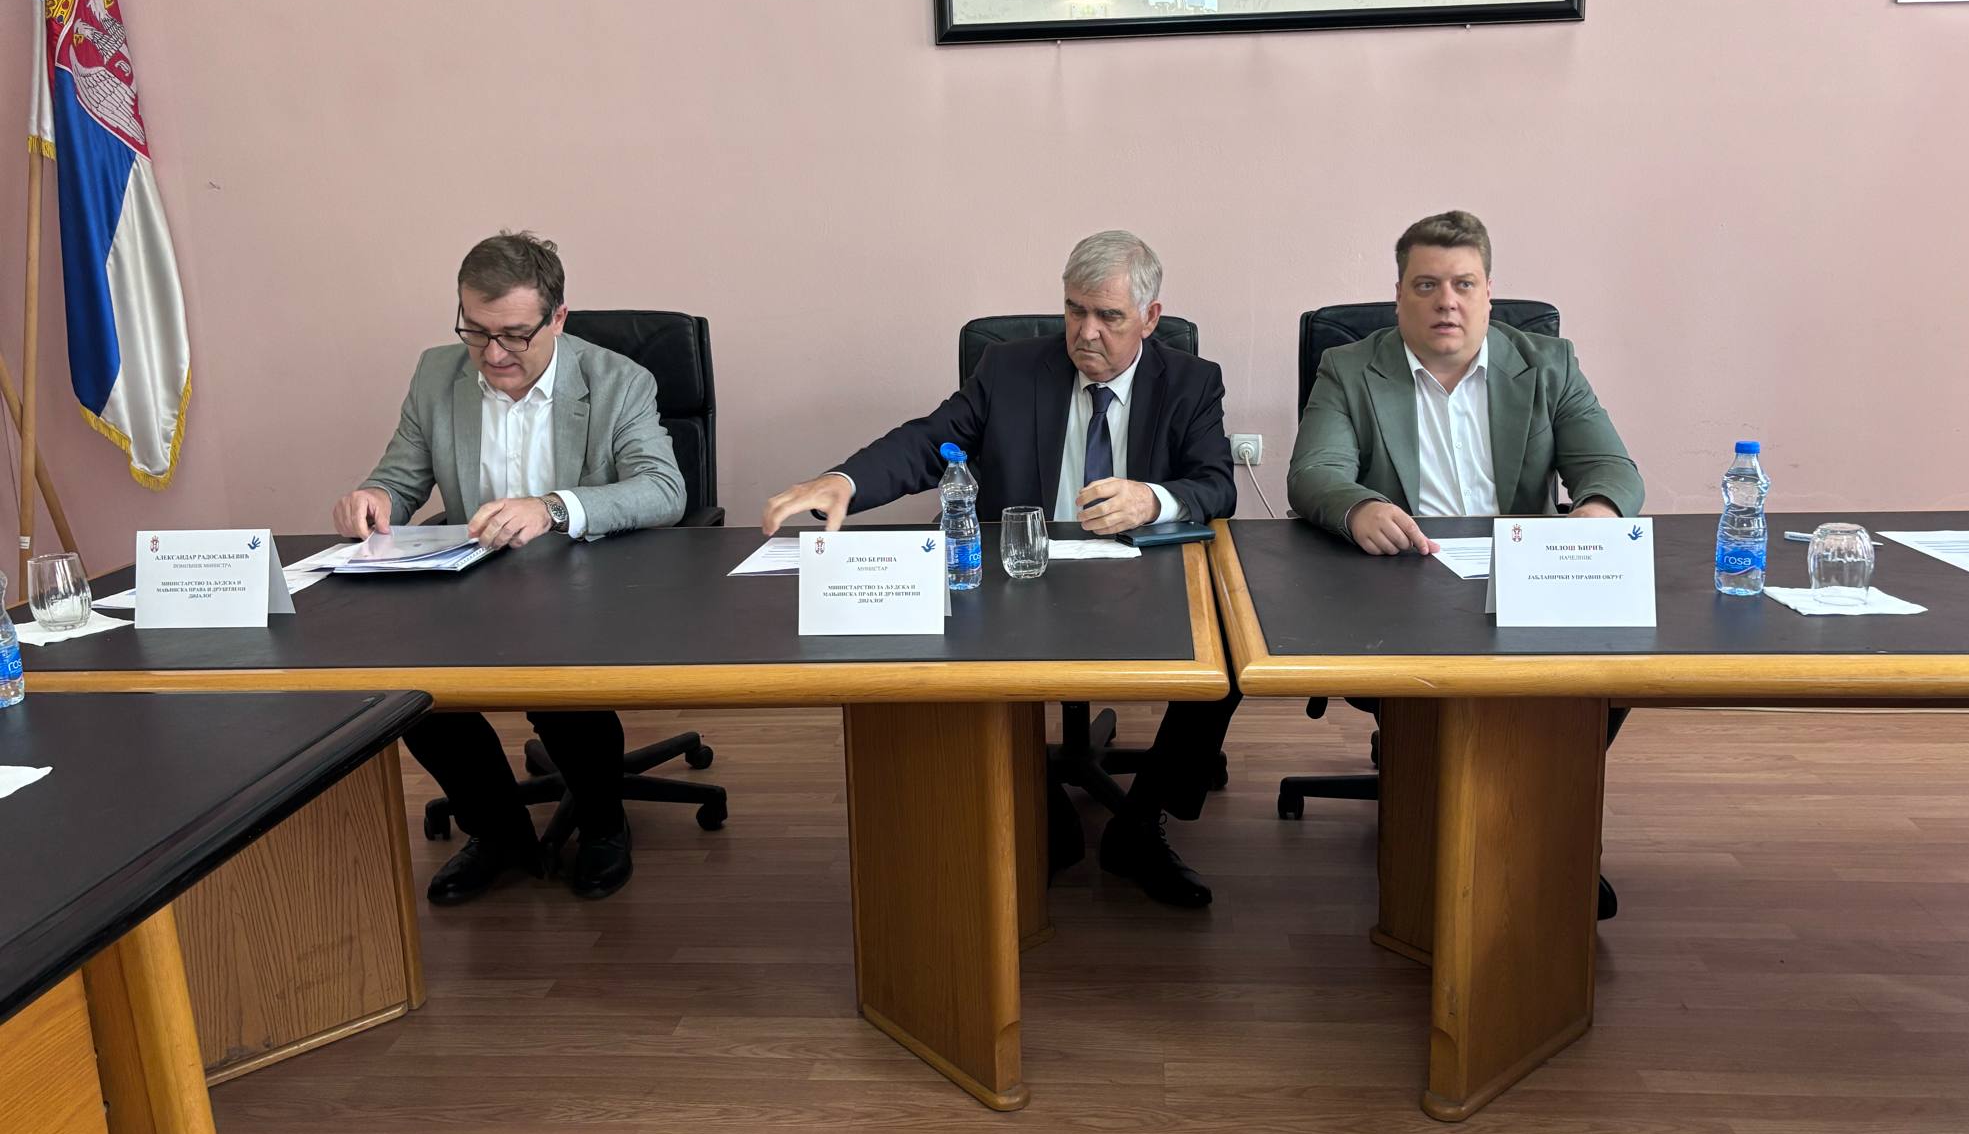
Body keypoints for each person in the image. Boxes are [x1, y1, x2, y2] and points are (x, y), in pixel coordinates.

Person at [760, 230, 1236, 908]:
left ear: (1151, 318)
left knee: (1228, 658)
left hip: (1139, 576)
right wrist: (844, 481)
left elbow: (1217, 485)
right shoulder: (1010, 369)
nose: (1087, 333)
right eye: (1075, 310)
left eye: (1109, 316)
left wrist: (1153, 499)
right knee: (946, 641)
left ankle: (1141, 820)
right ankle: (1037, 804)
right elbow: (930, 441)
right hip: (1021, 575)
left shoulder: (1191, 381)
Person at [1287, 209, 1644, 918]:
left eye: (1463, 284)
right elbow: (1314, 473)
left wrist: (1596, 515)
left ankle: (1545, 834)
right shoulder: (1350, 368)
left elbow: (1610, 466)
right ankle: (1462, 834)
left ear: (1488, 293)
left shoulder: (1548, 364)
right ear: (1399, 295)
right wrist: (1359, 507)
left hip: (1520, 577)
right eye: (1426, 285)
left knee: (1615, 663)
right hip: (1402, 583)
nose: (1445, 301)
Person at [332, 231, 685, 905]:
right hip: (475, 584)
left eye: (516, 335)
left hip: (588, 582)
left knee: (559, 688)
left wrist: (552, 509)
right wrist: (374, 498)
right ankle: (497, 832)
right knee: (415, 696)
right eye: (476, 331)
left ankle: (604, 825)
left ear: (558, 318)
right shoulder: (437, 375)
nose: (493, 354)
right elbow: (401, 480)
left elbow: (665, 490)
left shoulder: (617, 381)